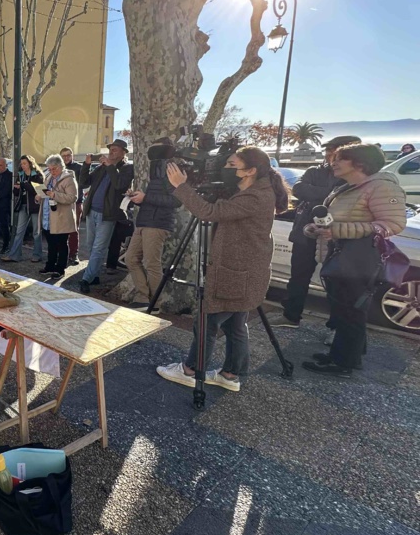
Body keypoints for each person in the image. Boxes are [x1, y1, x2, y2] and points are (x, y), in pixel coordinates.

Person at [156, 146, 290, 393]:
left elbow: (210, 212)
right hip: (246, 271)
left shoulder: (255, 196)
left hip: (236, 272)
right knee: (236, 325)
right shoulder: (256, 190)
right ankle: (230, 374)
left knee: (207, 322)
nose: (225, 169)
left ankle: (191, 371)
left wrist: (180, 186)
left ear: (250, 171)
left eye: (231, 165)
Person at [302, 144, 406, 378]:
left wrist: (340, 231)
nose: (333, 163)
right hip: (342, 258)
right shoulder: (347, 187)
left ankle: (342, 363)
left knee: (351, 311)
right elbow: (332, 223)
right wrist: (316, 229)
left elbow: (392, 224)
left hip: (358, 261)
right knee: (344, 309)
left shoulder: (381, 187)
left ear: (360, 163)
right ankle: (347, 355)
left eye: (340, 159)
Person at [266, 135, 362, 330]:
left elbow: (343, 196)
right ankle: (291, 315)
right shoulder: (313, 171)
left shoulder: (354, 176)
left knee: (336, 284)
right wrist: (330, 192)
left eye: (335, 151)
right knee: (298, 277)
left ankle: (336, 328)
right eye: (327, 150)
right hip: (305, 232)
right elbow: (300, 189)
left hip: (336, 235)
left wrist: (320, 192)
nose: (329, 155)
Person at [124, 137, 181, 309]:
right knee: (130, 258)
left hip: (158, 224)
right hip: (143, 221)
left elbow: (177, 201)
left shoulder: (172, 170)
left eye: (157, 149)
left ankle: (154, 303)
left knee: (152, 263)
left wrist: (146, 197)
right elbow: (153, 198)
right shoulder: (154, 170)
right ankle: (143, 297)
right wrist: (137, 198)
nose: (153, 153)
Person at [78, 139, 134, 293]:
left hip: (107, 215)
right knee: (90, 246)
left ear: (123, 153)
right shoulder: (102, 167)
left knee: (98, 248)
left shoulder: (127, 168)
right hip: (91, 211)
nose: (111, 152)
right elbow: (83, 182)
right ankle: (94, 275)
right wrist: (86, 165)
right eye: (110, 149)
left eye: (115, 150)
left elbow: (119, 185)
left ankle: (86, 279)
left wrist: (110, 167)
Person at [36, 154, 79, 278]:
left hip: (61, 218)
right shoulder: (48, 177)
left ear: (61, 166)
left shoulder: (69, 179)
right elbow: (44, 192)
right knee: (51, 244)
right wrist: (39, 196)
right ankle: (50, 266)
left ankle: (60, 269)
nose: (51, 171)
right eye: (49, 169)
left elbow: (73, 198)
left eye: (54, 169)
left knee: (61, 244)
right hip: (47, 216)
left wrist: (54, 195)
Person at [1, 154, 44, 263]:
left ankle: (37, 255)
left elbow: (38, 191)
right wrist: (16, 189)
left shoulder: (37, 175)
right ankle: (14, 255)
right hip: (23, 205)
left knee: (36, 232)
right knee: (19, 231)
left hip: (35, 206)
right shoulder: (21, 175)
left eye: (25, 163)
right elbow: (16, 192)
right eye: (22, 164)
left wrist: (24, 185)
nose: (23, 166)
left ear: (30, 163)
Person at [60, 147, 84, 265]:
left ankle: (73, 254)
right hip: (60, 203)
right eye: (64, 156)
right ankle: (62, 253)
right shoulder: (59, 169)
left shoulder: (79, 168)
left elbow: (84, 183)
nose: (66, 158)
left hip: (76, 203)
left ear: (72, 155)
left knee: (74, 230)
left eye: (68, 155)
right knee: (61, 230)